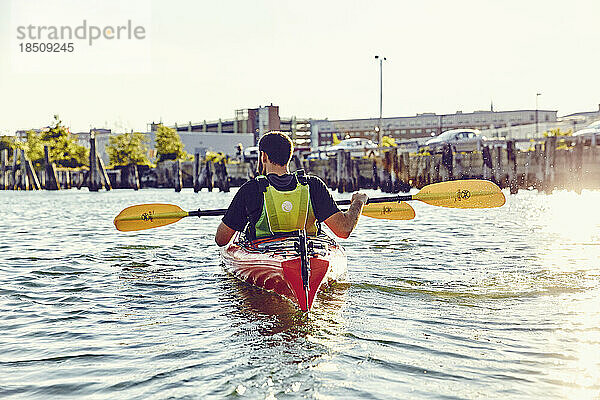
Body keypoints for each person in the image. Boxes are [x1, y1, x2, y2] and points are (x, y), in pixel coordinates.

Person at [215, 131, 368, 246]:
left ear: (263, 157)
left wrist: (240, 217)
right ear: (289, 156)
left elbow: (221, 240)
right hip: (309, 253)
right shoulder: (313, 185)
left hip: (265, 257)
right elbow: (343, 230)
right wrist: (358, 202)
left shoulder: (251, 190)